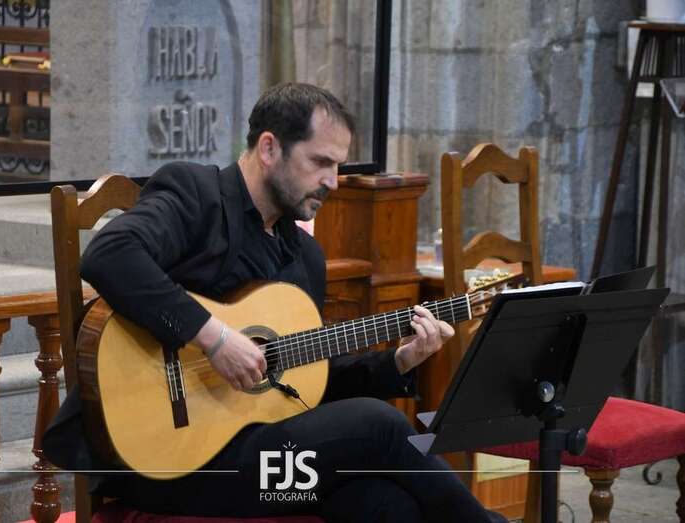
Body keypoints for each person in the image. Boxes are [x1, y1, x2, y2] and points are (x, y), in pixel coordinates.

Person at [44, 83, 507, 522]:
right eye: (320, 162)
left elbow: (306, 382)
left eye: (338, 166)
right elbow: (110, 254)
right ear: (269, 148)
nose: (333, 181)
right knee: (381, 425)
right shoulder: (196, 195)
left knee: (385, 504)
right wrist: (215, 338)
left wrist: (399, 361)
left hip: (261, 464)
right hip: (164, 465)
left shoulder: (304, 256)